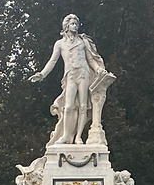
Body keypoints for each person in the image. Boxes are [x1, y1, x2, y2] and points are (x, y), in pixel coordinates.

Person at [30, 14, 107, 145]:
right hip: (70, 75)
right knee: (68, 106)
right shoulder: (60, 44)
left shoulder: (83, 41)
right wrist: (42, 74)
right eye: (72, 24)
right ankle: (66, 136)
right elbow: (52, 61)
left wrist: (98, 69)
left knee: (83, 106)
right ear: (66, 26)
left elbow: (90, 59)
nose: (75, 26)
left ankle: (78, 137)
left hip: (83, 73)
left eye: (76, 24)